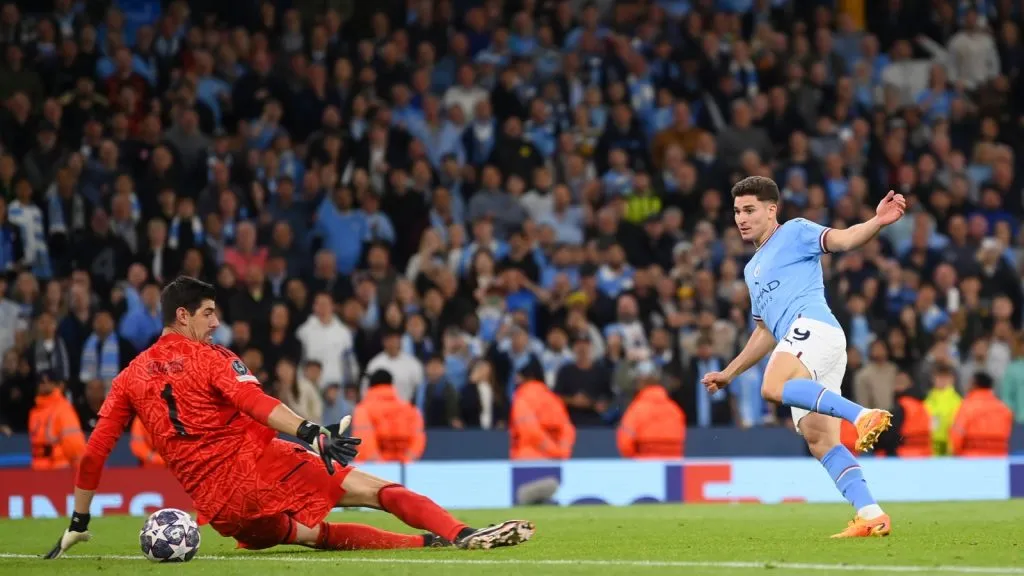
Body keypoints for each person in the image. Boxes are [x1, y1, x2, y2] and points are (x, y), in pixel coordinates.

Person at [45, 276, 534, 559]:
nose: (216, 323)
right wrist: (310, 432)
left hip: (223, 513)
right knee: (376, 490)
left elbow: (94, 453)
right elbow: (256, 404)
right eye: (208, 313)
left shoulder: (129, 376)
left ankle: (423, 543)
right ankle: (463, 535)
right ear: (182, 316)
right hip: (256, 468)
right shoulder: (212, 358)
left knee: (315, 536)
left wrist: (79, 519)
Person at [702, 176, 905, 538]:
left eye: (749, 210)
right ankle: (872, 515)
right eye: (736, 211)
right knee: (820, 441)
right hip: (804, 344)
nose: (741, 218)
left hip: (814, 328)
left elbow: (843, 239)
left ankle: (862, 415)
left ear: (771, 210)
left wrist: (876, 222)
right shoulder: (751, 270)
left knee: (773, 385)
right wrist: (729, 373)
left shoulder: (794, 232)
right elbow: (764, 331)